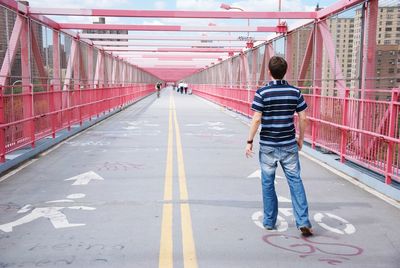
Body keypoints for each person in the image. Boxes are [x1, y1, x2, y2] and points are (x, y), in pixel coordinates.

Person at [245, 56, 312, 237]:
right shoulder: (295, 92)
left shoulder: (262, 93)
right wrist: (301, 139)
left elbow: (257, 118)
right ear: (285, 71)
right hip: (289, 144)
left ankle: (269, 221)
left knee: (267, 184)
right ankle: (303, 221)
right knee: (295, 182)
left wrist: (249, 141)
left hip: (268, 145)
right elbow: (303, 118)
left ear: (269, 72)